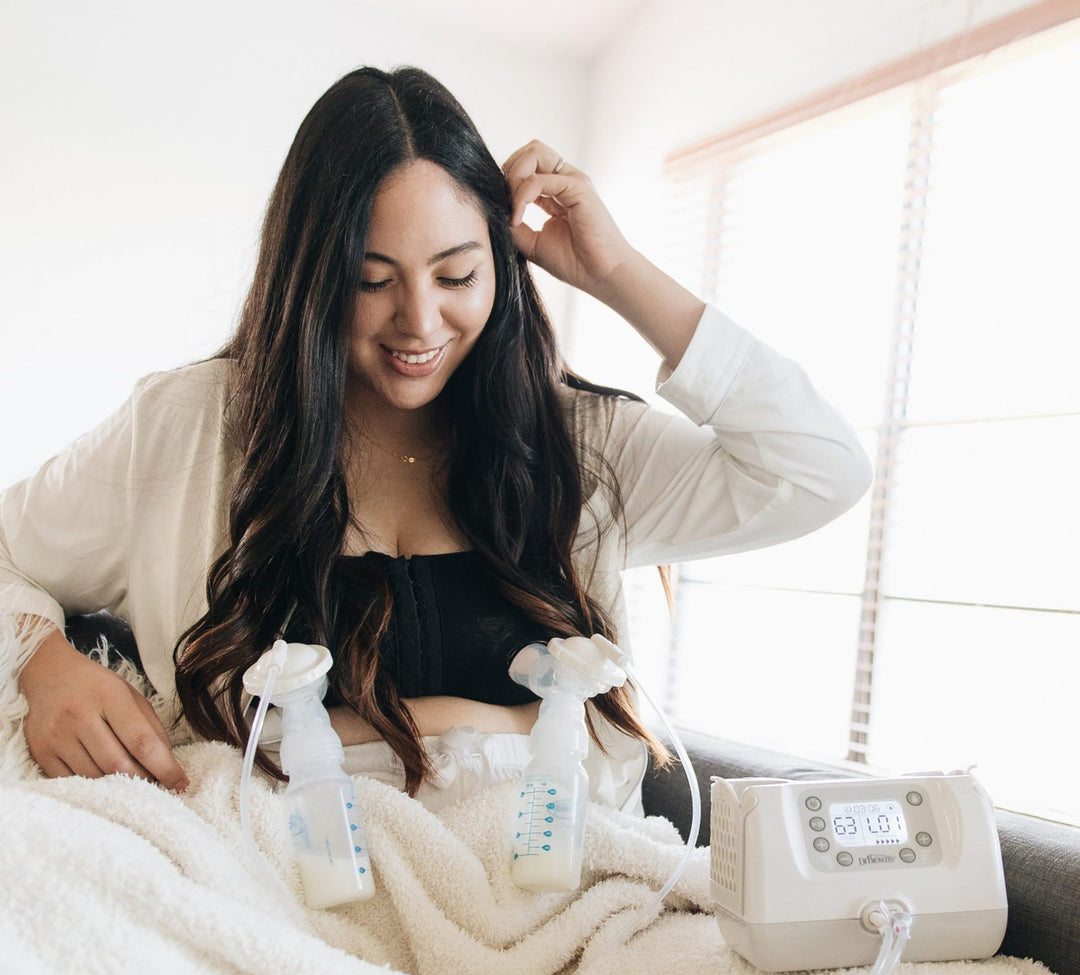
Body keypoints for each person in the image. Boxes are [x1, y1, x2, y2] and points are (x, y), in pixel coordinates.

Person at [0, 66, 871, 813]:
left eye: (456, 274)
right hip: (275, 888)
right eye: (369, 281)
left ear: (503, 261)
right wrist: (47, 665)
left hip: (543, 893)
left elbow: (819, 470)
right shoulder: (190, 426)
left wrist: (614, 271)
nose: (419, 321)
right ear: (307, 281)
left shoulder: (581, 443)